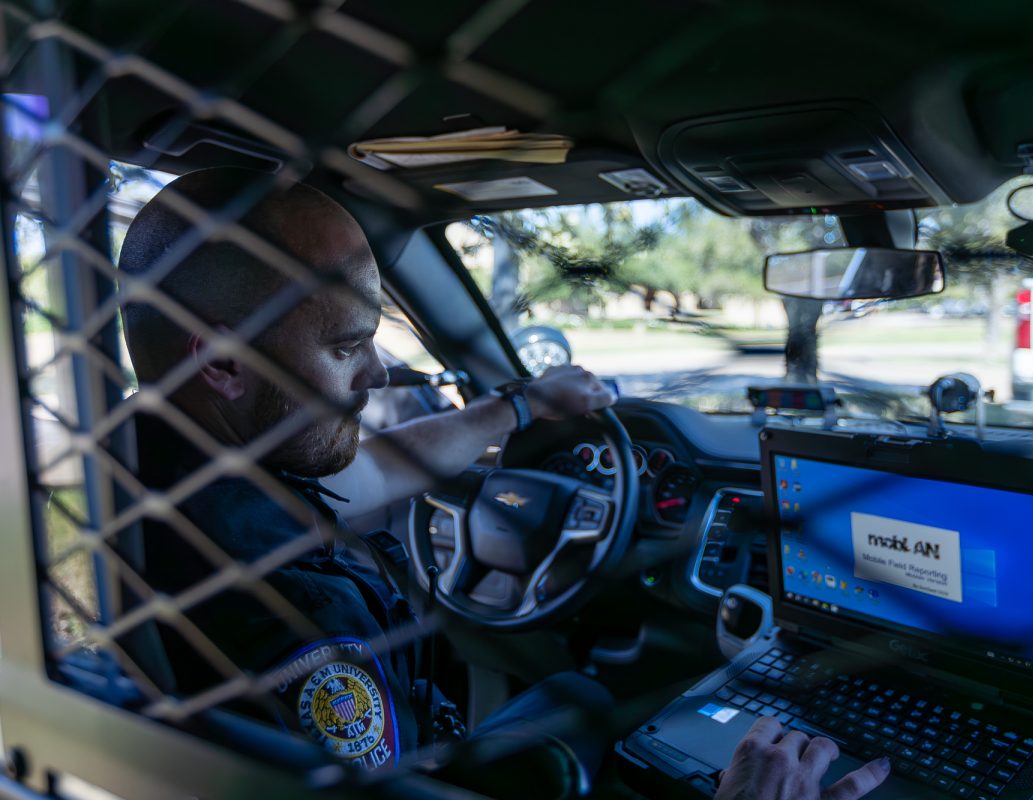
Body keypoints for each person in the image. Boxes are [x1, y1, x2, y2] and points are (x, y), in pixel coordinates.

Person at [115, 166, 889, 799]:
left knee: (578, 703)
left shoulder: (146, 469)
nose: (379, 373)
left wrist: (520, 405)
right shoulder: (296, 623)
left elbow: (376, 468)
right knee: (590, 706)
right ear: (221, 362)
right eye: (348, 346)